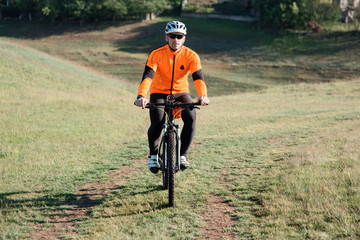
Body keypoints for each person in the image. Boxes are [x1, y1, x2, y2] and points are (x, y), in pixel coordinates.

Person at [134, 20, 209, 173]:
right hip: (159, 92)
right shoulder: (156, 54)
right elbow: (148, 77)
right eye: (172, 36)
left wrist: (203, 96)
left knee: (191, 117)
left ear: (184, 38)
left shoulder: (191, 56)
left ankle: (182, 155)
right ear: (166, 37)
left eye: (179, 36)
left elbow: (198, 79)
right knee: (158, 120)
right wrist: (141, 96)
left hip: (181, 92)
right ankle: (153, 156)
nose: (176, 40)